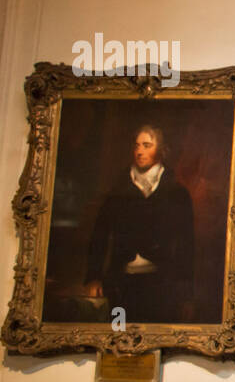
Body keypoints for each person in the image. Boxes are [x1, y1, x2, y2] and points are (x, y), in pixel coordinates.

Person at [83, 124, 194, 323]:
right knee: (120, 334)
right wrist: (94, 277)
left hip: (162, 284)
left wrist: (186, 294)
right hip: (121, 282)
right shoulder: (118, 190)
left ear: (161, 151)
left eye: (147, 145)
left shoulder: (177, 193)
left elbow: (187, 245)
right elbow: (100, 234)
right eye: (136, 146)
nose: (140, 151)